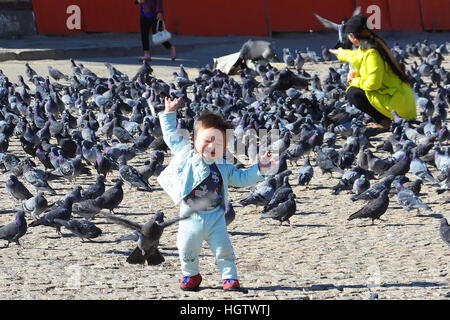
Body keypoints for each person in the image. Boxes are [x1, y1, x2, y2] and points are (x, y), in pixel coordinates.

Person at [157, 97, 278, 292]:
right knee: (186, 248)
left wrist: (259, 169)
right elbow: (170, 135)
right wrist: (170, 113)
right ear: (195, 140)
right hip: (190, 215)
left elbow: (242, 178)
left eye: (219, 143)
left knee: (224, 250)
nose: (213, 147)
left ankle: (230, 277)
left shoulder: (224, 167)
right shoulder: (187, 155)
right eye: (207, 140)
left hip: (216, 217)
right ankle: (191, 274)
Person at [329, 14, 417, 132]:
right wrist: (339, 53)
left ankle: (383, 121)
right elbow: (354, 56)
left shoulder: (372, 54)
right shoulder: (373, 44)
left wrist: (354, 80)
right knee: (355, 87)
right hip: (399, 98)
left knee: (353, 92)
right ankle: (388, 118)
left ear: (352, 37)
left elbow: (373, 84)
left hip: (399, 105)